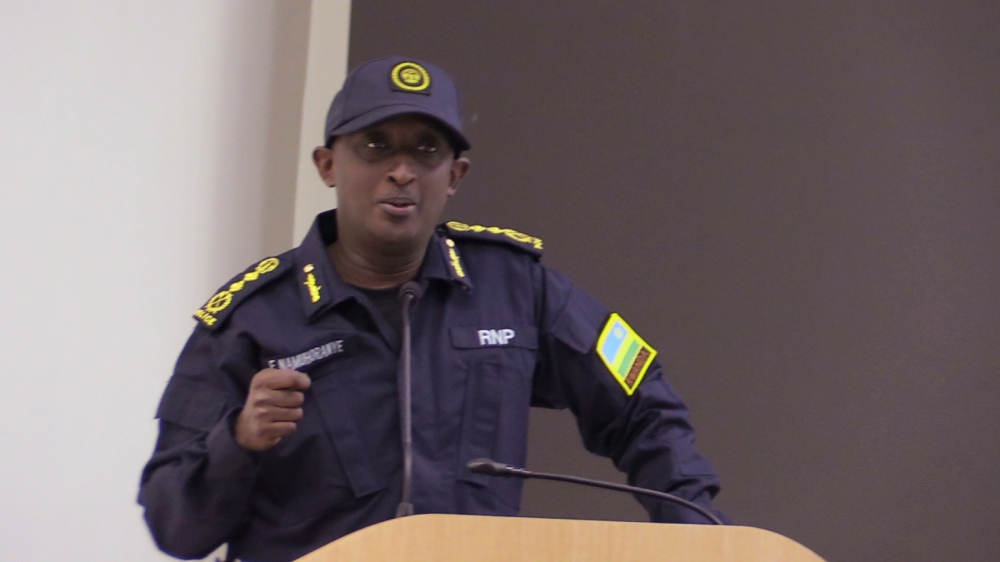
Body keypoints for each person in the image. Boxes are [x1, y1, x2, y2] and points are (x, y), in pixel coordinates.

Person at [139, 55, 728, 562]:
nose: (402, 171)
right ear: (327, 165)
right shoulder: (252, 318)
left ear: (455, 176)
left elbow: (643, 403)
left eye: (426, 150)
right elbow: (175, 526)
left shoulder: (515, 286)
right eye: (376, 146)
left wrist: (697, 536)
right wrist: (238, 441)